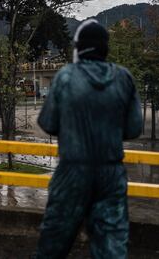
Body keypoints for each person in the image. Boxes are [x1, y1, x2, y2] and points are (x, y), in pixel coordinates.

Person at [35, 19, 142, 258]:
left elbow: (48, 123)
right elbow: (134, 128)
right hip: (111, 173)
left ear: (78, 48)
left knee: (54, 241)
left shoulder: (65, 77)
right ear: (105, 48)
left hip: (72, 171)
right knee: (111, 245)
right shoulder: (124, 77)